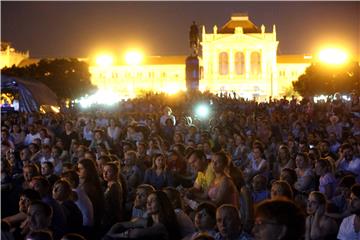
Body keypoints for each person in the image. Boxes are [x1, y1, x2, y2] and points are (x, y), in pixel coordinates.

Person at [102, 162, 124, 229]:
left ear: (115, 173)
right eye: (104, 171)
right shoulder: (110, 184)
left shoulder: (114, 187)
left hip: (111, 220)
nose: (105, 174)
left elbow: (115, 206)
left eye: (108, 171)